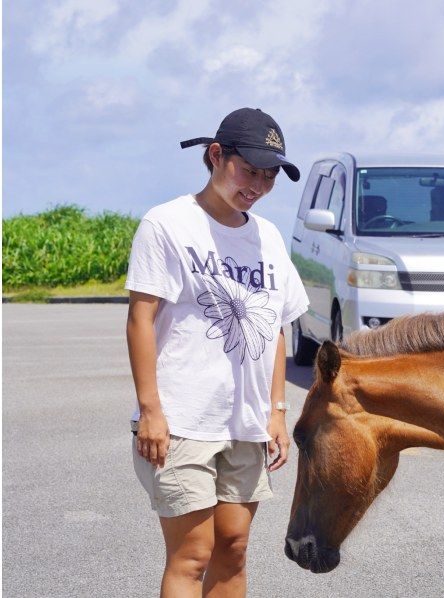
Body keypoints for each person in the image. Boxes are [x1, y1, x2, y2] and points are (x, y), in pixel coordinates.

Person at [125, 108, 309, 597]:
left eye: (270, 175)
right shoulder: (167, 225)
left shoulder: (267, 238)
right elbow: (140, 318)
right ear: (215, 156)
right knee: (193, 555)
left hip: (245, 421)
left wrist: (276, 410)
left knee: (234, 547)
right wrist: (150, 411)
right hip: (182, 418)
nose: (259, 184)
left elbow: (274, 330)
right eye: (249, 169)